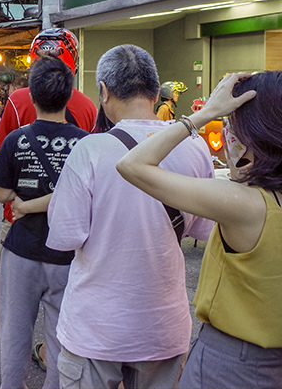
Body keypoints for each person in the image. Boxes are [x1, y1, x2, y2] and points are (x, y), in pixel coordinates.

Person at [117, 70, 282, 389]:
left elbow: (132, 165)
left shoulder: (243, 204)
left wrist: (204, 114)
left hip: (228, 362)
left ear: (254, 133)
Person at [46, 45, 214, 389]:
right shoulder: (195, 147)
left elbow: (64, 237)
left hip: (95, 327)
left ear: (104, 91)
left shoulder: (90, 150)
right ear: (155, 92)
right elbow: (201, 228)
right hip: (163, 326)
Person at [0, 28, 98, 371]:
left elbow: (1, 149)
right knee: (62, 308)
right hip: (71, 222)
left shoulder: (19, 99)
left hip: (18, 220)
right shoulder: (86, 107)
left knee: (2, 278)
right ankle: (55, 364)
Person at [0, 56, 88, 389]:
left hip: (21, 251)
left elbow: (3, 194)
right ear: (69, 96)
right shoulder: (85, 144)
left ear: (31, 96)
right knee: (62, 340)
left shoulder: (15, 140)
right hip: (69, 254)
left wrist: (24, 203)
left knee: (14, 333)